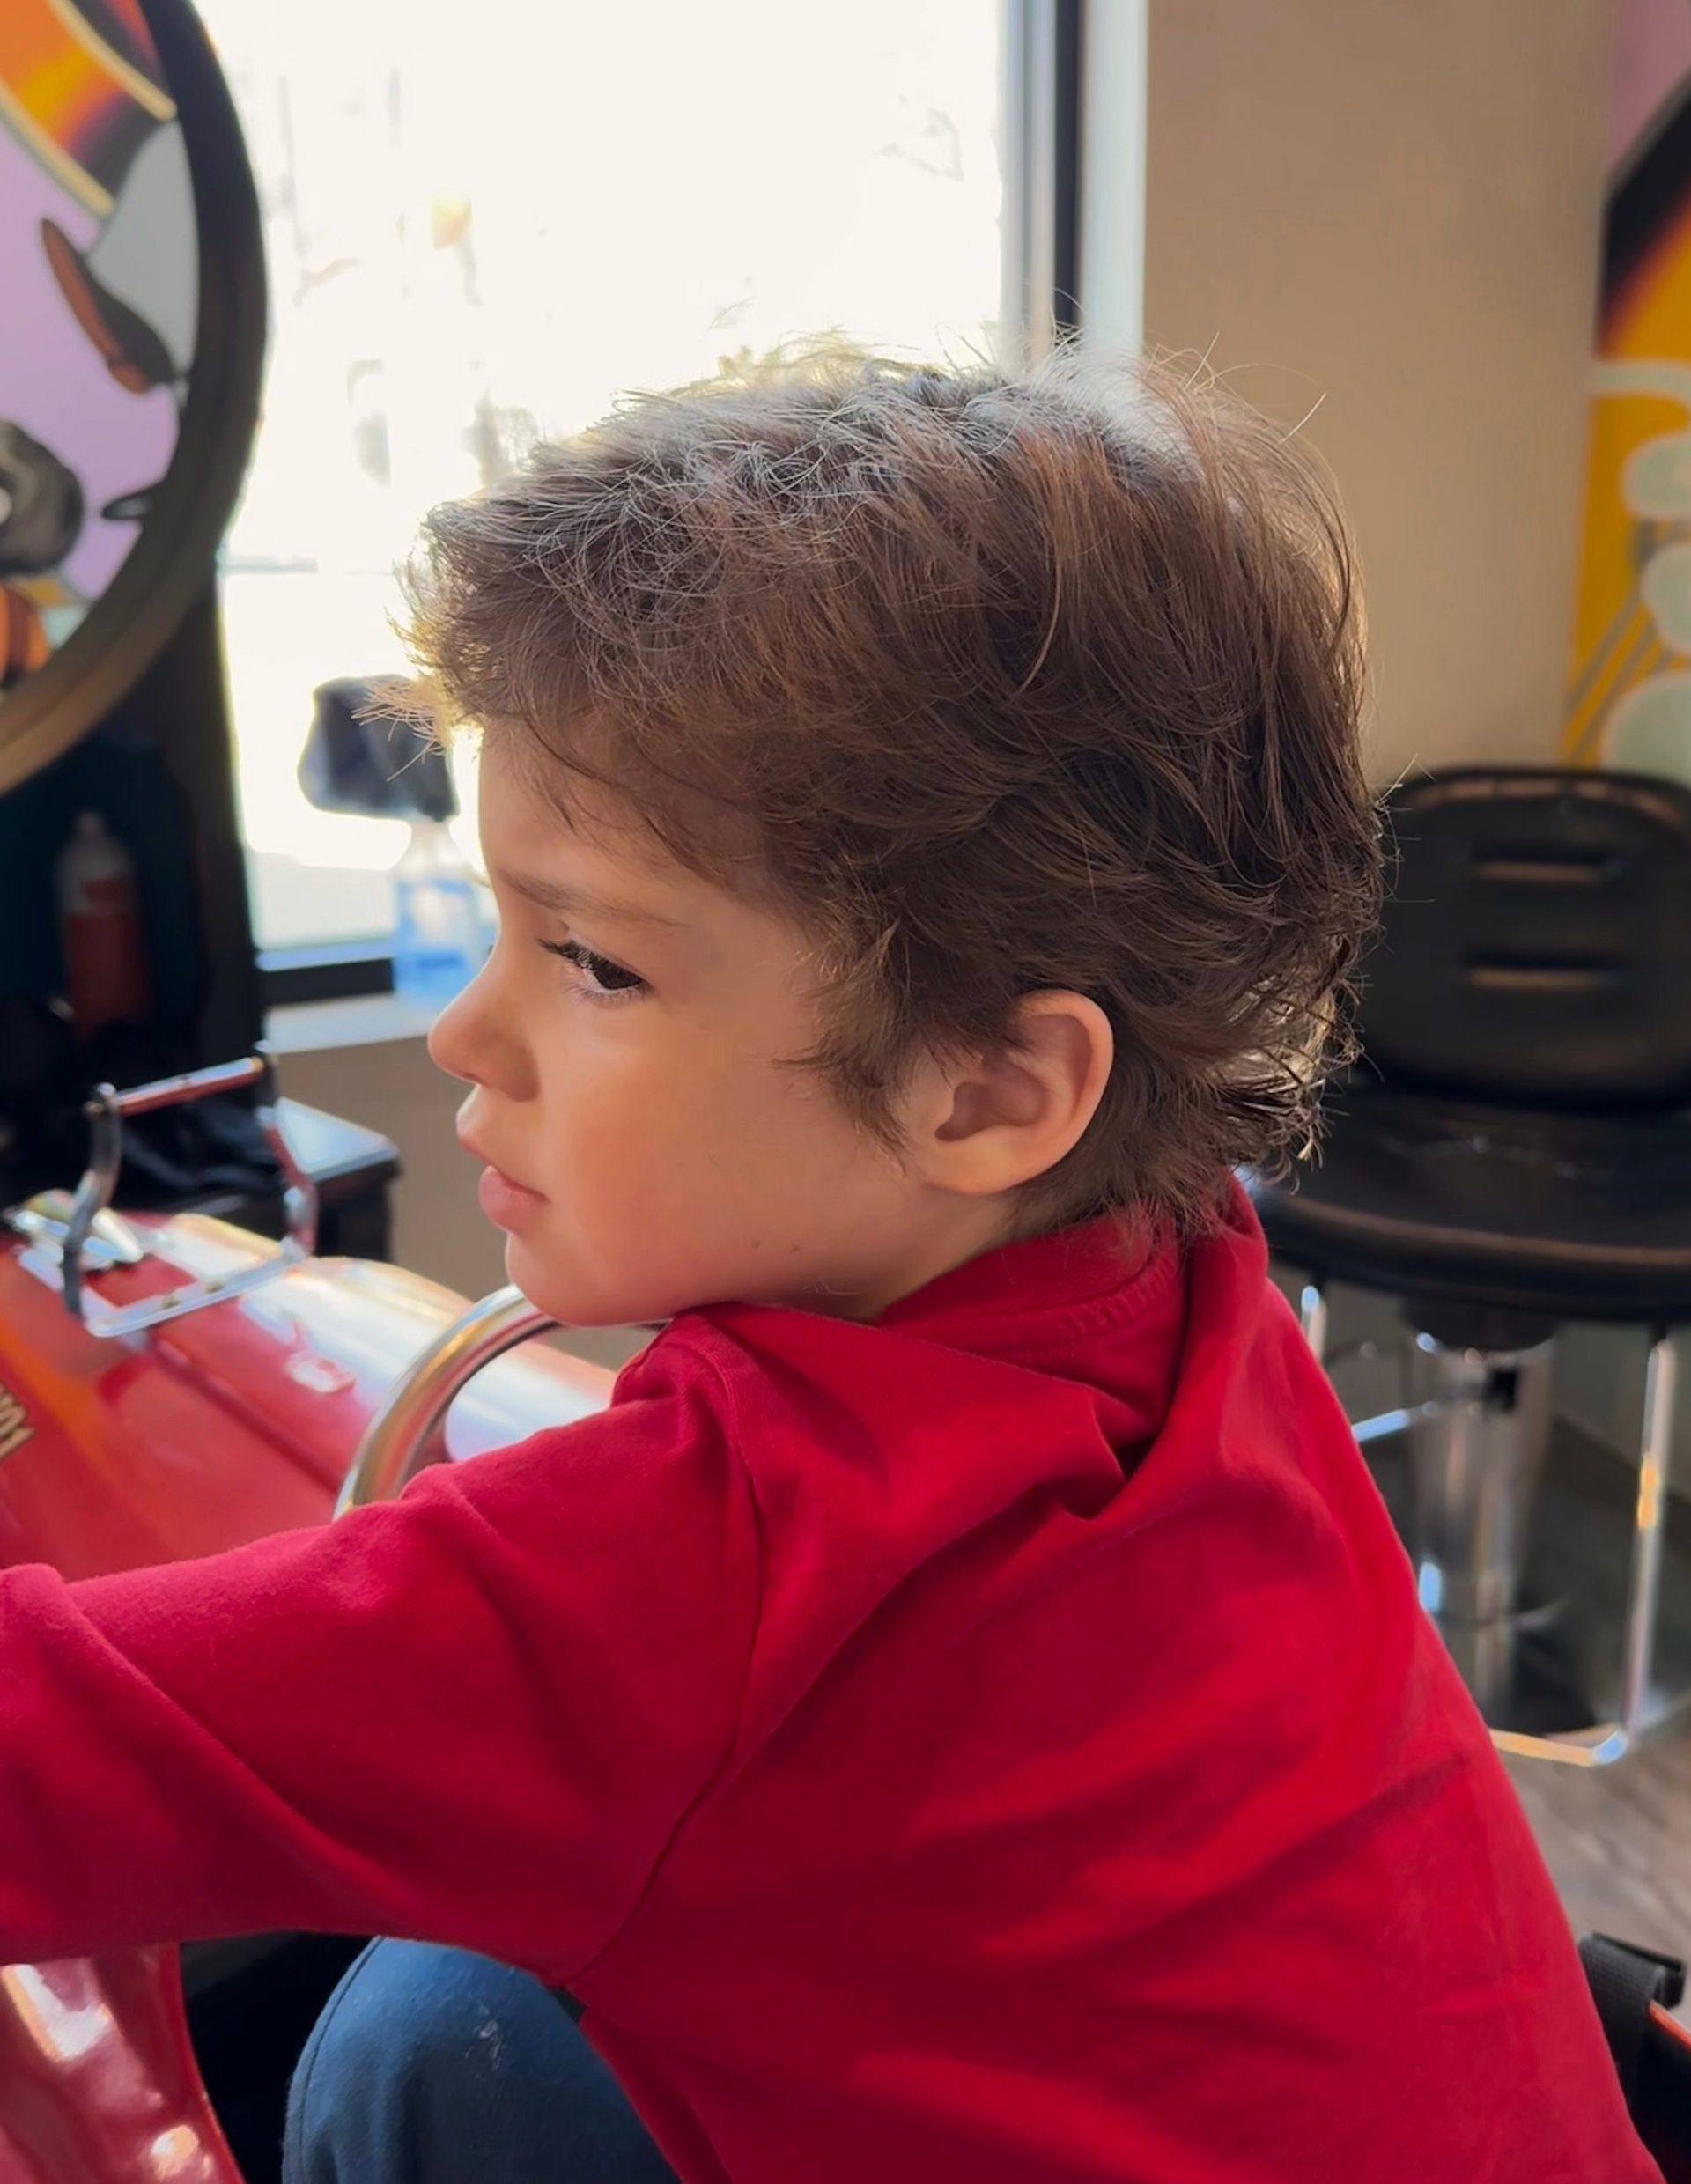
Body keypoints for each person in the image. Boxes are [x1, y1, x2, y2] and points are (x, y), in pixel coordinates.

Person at [0, 349, 1659, 2184]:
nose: (473, 1032)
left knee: (396, 2045)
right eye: (504, 923)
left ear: (993, 1084)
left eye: (597, 964)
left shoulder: (700, 1573)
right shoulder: (1186, 1273)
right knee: (426, 2020)